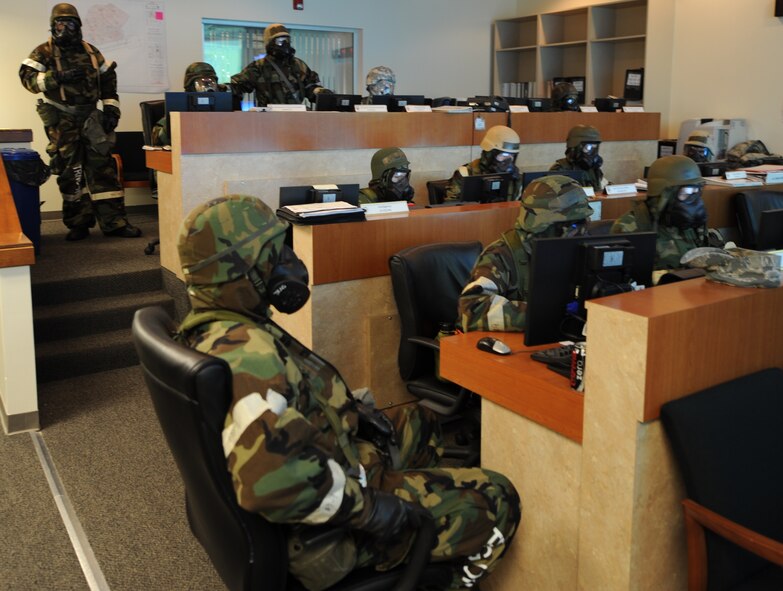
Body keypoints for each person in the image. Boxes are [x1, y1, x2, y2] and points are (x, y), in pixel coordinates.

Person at [176, 194, 520, 590]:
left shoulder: (217, 329)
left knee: (423, 422)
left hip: (334, 466)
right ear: (241, 270)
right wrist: (371, 509)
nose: (287, 261)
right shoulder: (247, 355)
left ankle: (426, 513)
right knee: (499, 496)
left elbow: (286, 406)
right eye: (273, 252)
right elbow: (271, 483)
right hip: (330, 532)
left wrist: (352, 414)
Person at [19, 3, 140, 241]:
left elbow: (108, 83)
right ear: (53, 26)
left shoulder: (92, 53)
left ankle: (114, 222)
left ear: (79, 26)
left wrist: (111, 112)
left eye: (70, 23)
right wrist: (57, 77)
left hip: (91, 118)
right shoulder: (42, 52)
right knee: (70, 172)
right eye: (60, 23)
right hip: (62, 120)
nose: (65, 28)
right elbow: (27, 78)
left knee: (103, 168)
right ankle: (78, 223)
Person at [459, 175, 594, 332]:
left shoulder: (576, 248)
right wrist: (544, 313)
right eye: (576, 224)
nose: (583, 230)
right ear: (546, 225)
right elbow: (472, 309)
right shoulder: (501, 255)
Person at [611, 155, 710, 270]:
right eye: (686, 194)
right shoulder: (630, 227)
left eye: (696, 193)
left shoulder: (693, 222)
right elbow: (620, 280)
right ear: (665, 195)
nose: (694, 203)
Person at [230, 23, 331, 107]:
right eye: (280, 41)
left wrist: (319, 91)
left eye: (287, 41)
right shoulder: (259, 66)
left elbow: (309, 87)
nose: (285, 45)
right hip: (268, 120)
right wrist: (224, 89)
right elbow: (238, 85)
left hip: (296, 118)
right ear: (270, 43)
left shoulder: (298, 65)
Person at [151, 62, 226, 146]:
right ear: (190, 85)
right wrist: (178, 119)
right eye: (202, 84)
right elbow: (157, 139)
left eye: (211, 83)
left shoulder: (219, 107)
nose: (207, 88)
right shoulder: (182, 106)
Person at [444, 125, 523, 202]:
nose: (508, 161)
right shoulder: (466, 173)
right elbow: (451, 206)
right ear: (489, 155)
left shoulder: (515, 177)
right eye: (504, 155)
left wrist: (517, 181)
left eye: (512, 156)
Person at [550, 124, 609, 193]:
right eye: (588, 147)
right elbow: (553, 196)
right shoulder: (560, 169)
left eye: (595, 147)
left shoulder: (594, 169)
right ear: (575, 147)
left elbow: (604, 187)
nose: (592, 153)